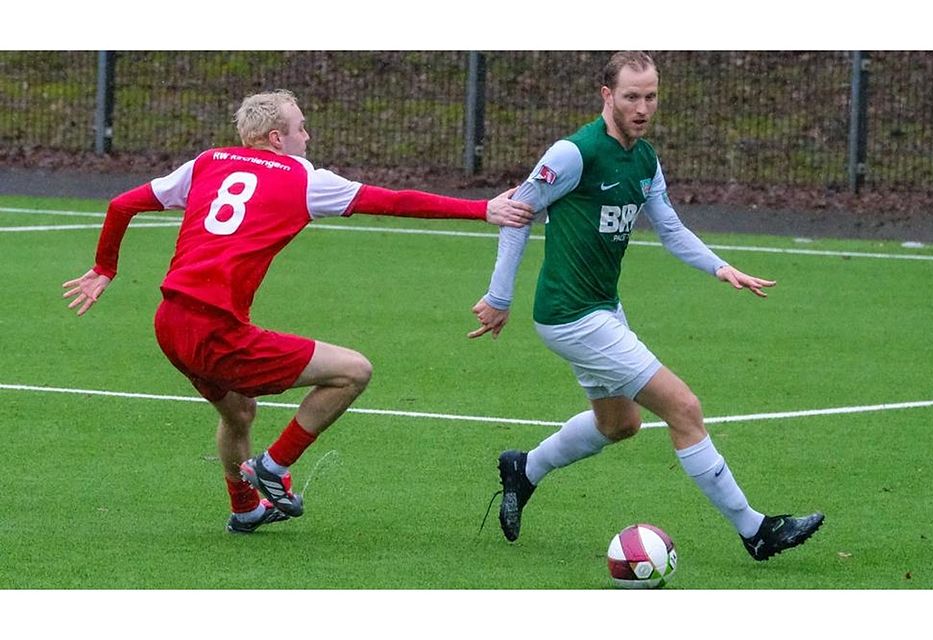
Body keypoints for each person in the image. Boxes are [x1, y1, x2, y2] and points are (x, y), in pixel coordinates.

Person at [63, 89, 534, 534]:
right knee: (353, 371)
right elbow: (392, 201)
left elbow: (122, 203)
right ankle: (273, 467)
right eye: (301, 128)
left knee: (239, 415)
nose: (307, 137)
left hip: (170, 323)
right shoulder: (304, 179)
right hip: (215, 330)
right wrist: (481, 209)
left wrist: (105, 267)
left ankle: (246, 510)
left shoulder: (207, 162)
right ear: (276, 139)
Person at [469, 52, 823, 561]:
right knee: (683, 407)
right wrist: (500, 297)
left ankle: (524, 470)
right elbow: (516, 212)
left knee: (620, 424)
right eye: (631, 96)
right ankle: (756, 530)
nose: (642, 107)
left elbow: (671, 229)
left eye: (650, 96)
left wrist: (720, 267)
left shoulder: (645, 159)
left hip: (603, 309)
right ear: (606, 95)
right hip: (571, 315)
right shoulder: (574, 153)